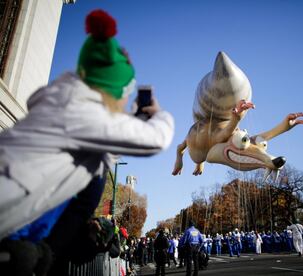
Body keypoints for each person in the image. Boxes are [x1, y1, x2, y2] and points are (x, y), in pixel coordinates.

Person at [0, 9, 174, 275]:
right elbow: (156, 139)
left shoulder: (67, 103)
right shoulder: (79, 112)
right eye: (123, 96)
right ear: (111, 91)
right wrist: (159, 114)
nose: (124, 104)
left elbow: (103, 139)